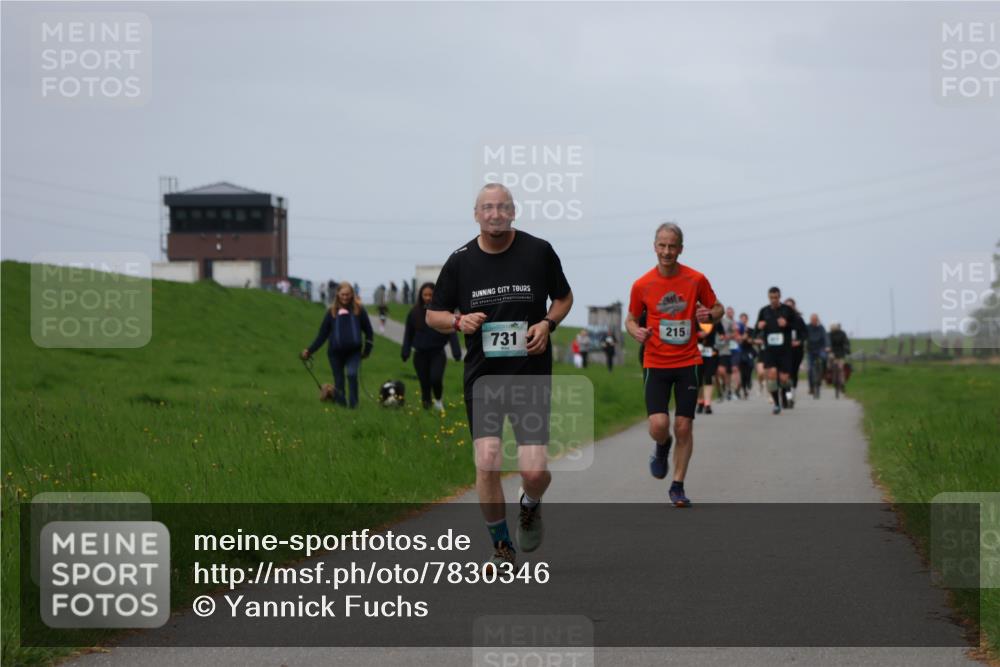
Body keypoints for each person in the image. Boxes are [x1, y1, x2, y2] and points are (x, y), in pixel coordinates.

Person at [426, 183, 573, 569]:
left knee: (534, 471)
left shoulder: (538, 251)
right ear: (476, 214)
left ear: (513, 212)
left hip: (529, 376)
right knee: (487, 458)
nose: (494, 214)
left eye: (502, 207)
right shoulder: (460, 261)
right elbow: (433, 315)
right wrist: (458, 320)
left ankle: (530, 503)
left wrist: (547, 323)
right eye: (487, 207)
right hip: (483, 378)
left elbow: (564, 297)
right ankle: (502, 546)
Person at [626, 222, 723, 508]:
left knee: (683, 426)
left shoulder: (696, 280)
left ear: (681, 249)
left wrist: (709, 314)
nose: (667, 251)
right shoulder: (642, 284)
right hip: (655, 362)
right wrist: (636, 332)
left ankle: (677, 485)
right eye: (662, 245)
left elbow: (717, 308)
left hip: (688, 361)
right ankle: (661, 446)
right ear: (654, 246)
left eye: (672, 246)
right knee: (660, 425)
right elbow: (630, 319)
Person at [301, 281, 374, 408]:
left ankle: (353, 406)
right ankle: (342, 406)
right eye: (342, 295)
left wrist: (367, 350)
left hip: (354, 352)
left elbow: (369, 332)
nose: (345, 297)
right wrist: (309, 350)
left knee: (352, 375)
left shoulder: (359, 311)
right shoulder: (331, 312)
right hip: (335, 353)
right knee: (339, 381)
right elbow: (322, 335)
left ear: (352, 295)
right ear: (337, 295)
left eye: (347, 294)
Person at [402, 282, 463, 411]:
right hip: (420, 354)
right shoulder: (414, 313)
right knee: (424, 383)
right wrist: (405, 351)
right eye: (425, 294)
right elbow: (408, 334)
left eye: (430, 294)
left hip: (437, 353)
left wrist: (456, 352)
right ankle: (426, 407)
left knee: (435, 378)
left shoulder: (442, 312)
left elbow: (452, 332)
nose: (428, 297)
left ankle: (439, 400)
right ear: (421, 295)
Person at [756, 287, 797, 415]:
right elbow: (757, 328)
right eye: (771, 298)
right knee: (772, 374)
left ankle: (786, 393)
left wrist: (787, 324)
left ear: (779, 297)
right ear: (768, 297)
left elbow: (796, 325)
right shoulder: (764, 311)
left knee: (784, 379)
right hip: (770, 349)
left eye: (776, 297)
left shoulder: (787, 310)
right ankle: (776, 404)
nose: (773, 300)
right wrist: (759, 326)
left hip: (784, 349)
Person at [783, 298, 808, 408]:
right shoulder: (781, 319)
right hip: (784, 350)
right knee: (785, 374)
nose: (789, 308)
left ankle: (792, 394)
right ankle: (786, 397)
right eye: (786, 306)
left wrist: (799, 341)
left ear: (794, 307)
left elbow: (805, 333)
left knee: (793, 373)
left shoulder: (799, 319)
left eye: (791, 306)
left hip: (796, 350)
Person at [698, 319, 721, 414]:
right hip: (696, 352)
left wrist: (722, 337)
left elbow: (722, 334)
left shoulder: (715, 321)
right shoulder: (693, 319)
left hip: (711, 353)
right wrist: (698, 334)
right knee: (698, 380)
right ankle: (700, 402)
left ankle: (708, 404)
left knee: (708, 377)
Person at [806, 313, 830, 398]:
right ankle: (811, 387)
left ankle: (823, 374)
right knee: (809, 369)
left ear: (818, 320)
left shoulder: (821, 328)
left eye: (815, 320)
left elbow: (826, 337)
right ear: (810, 320)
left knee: (824, 358)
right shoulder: (807, 327)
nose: (814, 321)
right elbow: (803, 336)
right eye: (812, 320)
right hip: (810, 350)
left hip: (820, 349)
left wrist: (827, 346)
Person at [828, 322, 851, 393]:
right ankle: (830, 375)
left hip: (841, 353)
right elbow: (827, 343)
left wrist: (847, 349)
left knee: (841, 369)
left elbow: (846, 342)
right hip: (832, 352)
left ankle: (842, 384)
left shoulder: (842, 334)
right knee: (830, 364)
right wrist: (828, 349)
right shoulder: (829, 334)